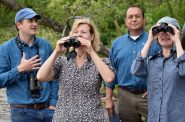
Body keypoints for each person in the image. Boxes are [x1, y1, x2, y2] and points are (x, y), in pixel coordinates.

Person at [36, 18, 115, 122]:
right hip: (63, 118)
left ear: (91, 37)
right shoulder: (62, 62)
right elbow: (40, 76)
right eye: (76, 32)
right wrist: (56, 51)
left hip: (92, 118)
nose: (79, 35)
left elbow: (109, 78)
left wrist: (91, 51)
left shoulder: (100, 62)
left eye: (83, 32)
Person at [0, 8, 58, 122]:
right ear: (19, 24)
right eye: (30, 21)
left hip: (48, 110)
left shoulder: (46, 45)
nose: (35, 24)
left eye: (36, 21)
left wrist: (53, 103)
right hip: (22, 112)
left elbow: (54, 77)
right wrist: (19, 69)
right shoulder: (5, 48)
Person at [105, 5, 160, 122]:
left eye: (137, 16)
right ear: (126, 21)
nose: (134, 19)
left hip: (149, 96)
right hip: (125, 96)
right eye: (130, 17)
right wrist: (109, 99)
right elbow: (111, 71)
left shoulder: (155, 41)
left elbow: (163, 68)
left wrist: (156, 87)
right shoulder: (117, 43)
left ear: (144, 20)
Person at [131, 16, 184, 122]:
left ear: (177, 33)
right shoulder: (152, 61)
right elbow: (135, 70)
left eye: (170, 31)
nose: (164, 34)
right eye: (160, 31)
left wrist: (177, 41)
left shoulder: (181, 60)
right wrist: (150, 40)